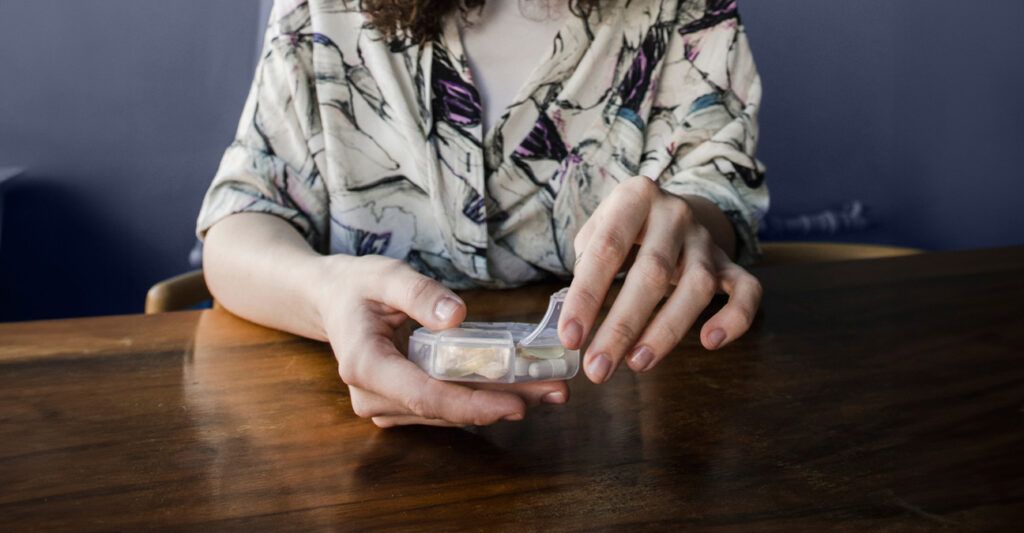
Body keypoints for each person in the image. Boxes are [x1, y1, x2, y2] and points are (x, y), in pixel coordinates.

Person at [197, 0, 769, 428]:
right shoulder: (324, 10)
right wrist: (325, 293)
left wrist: (693, 225)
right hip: (340, 447)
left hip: (615, 457)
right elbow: (242, 220)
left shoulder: (683, 9)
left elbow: (719, 189)